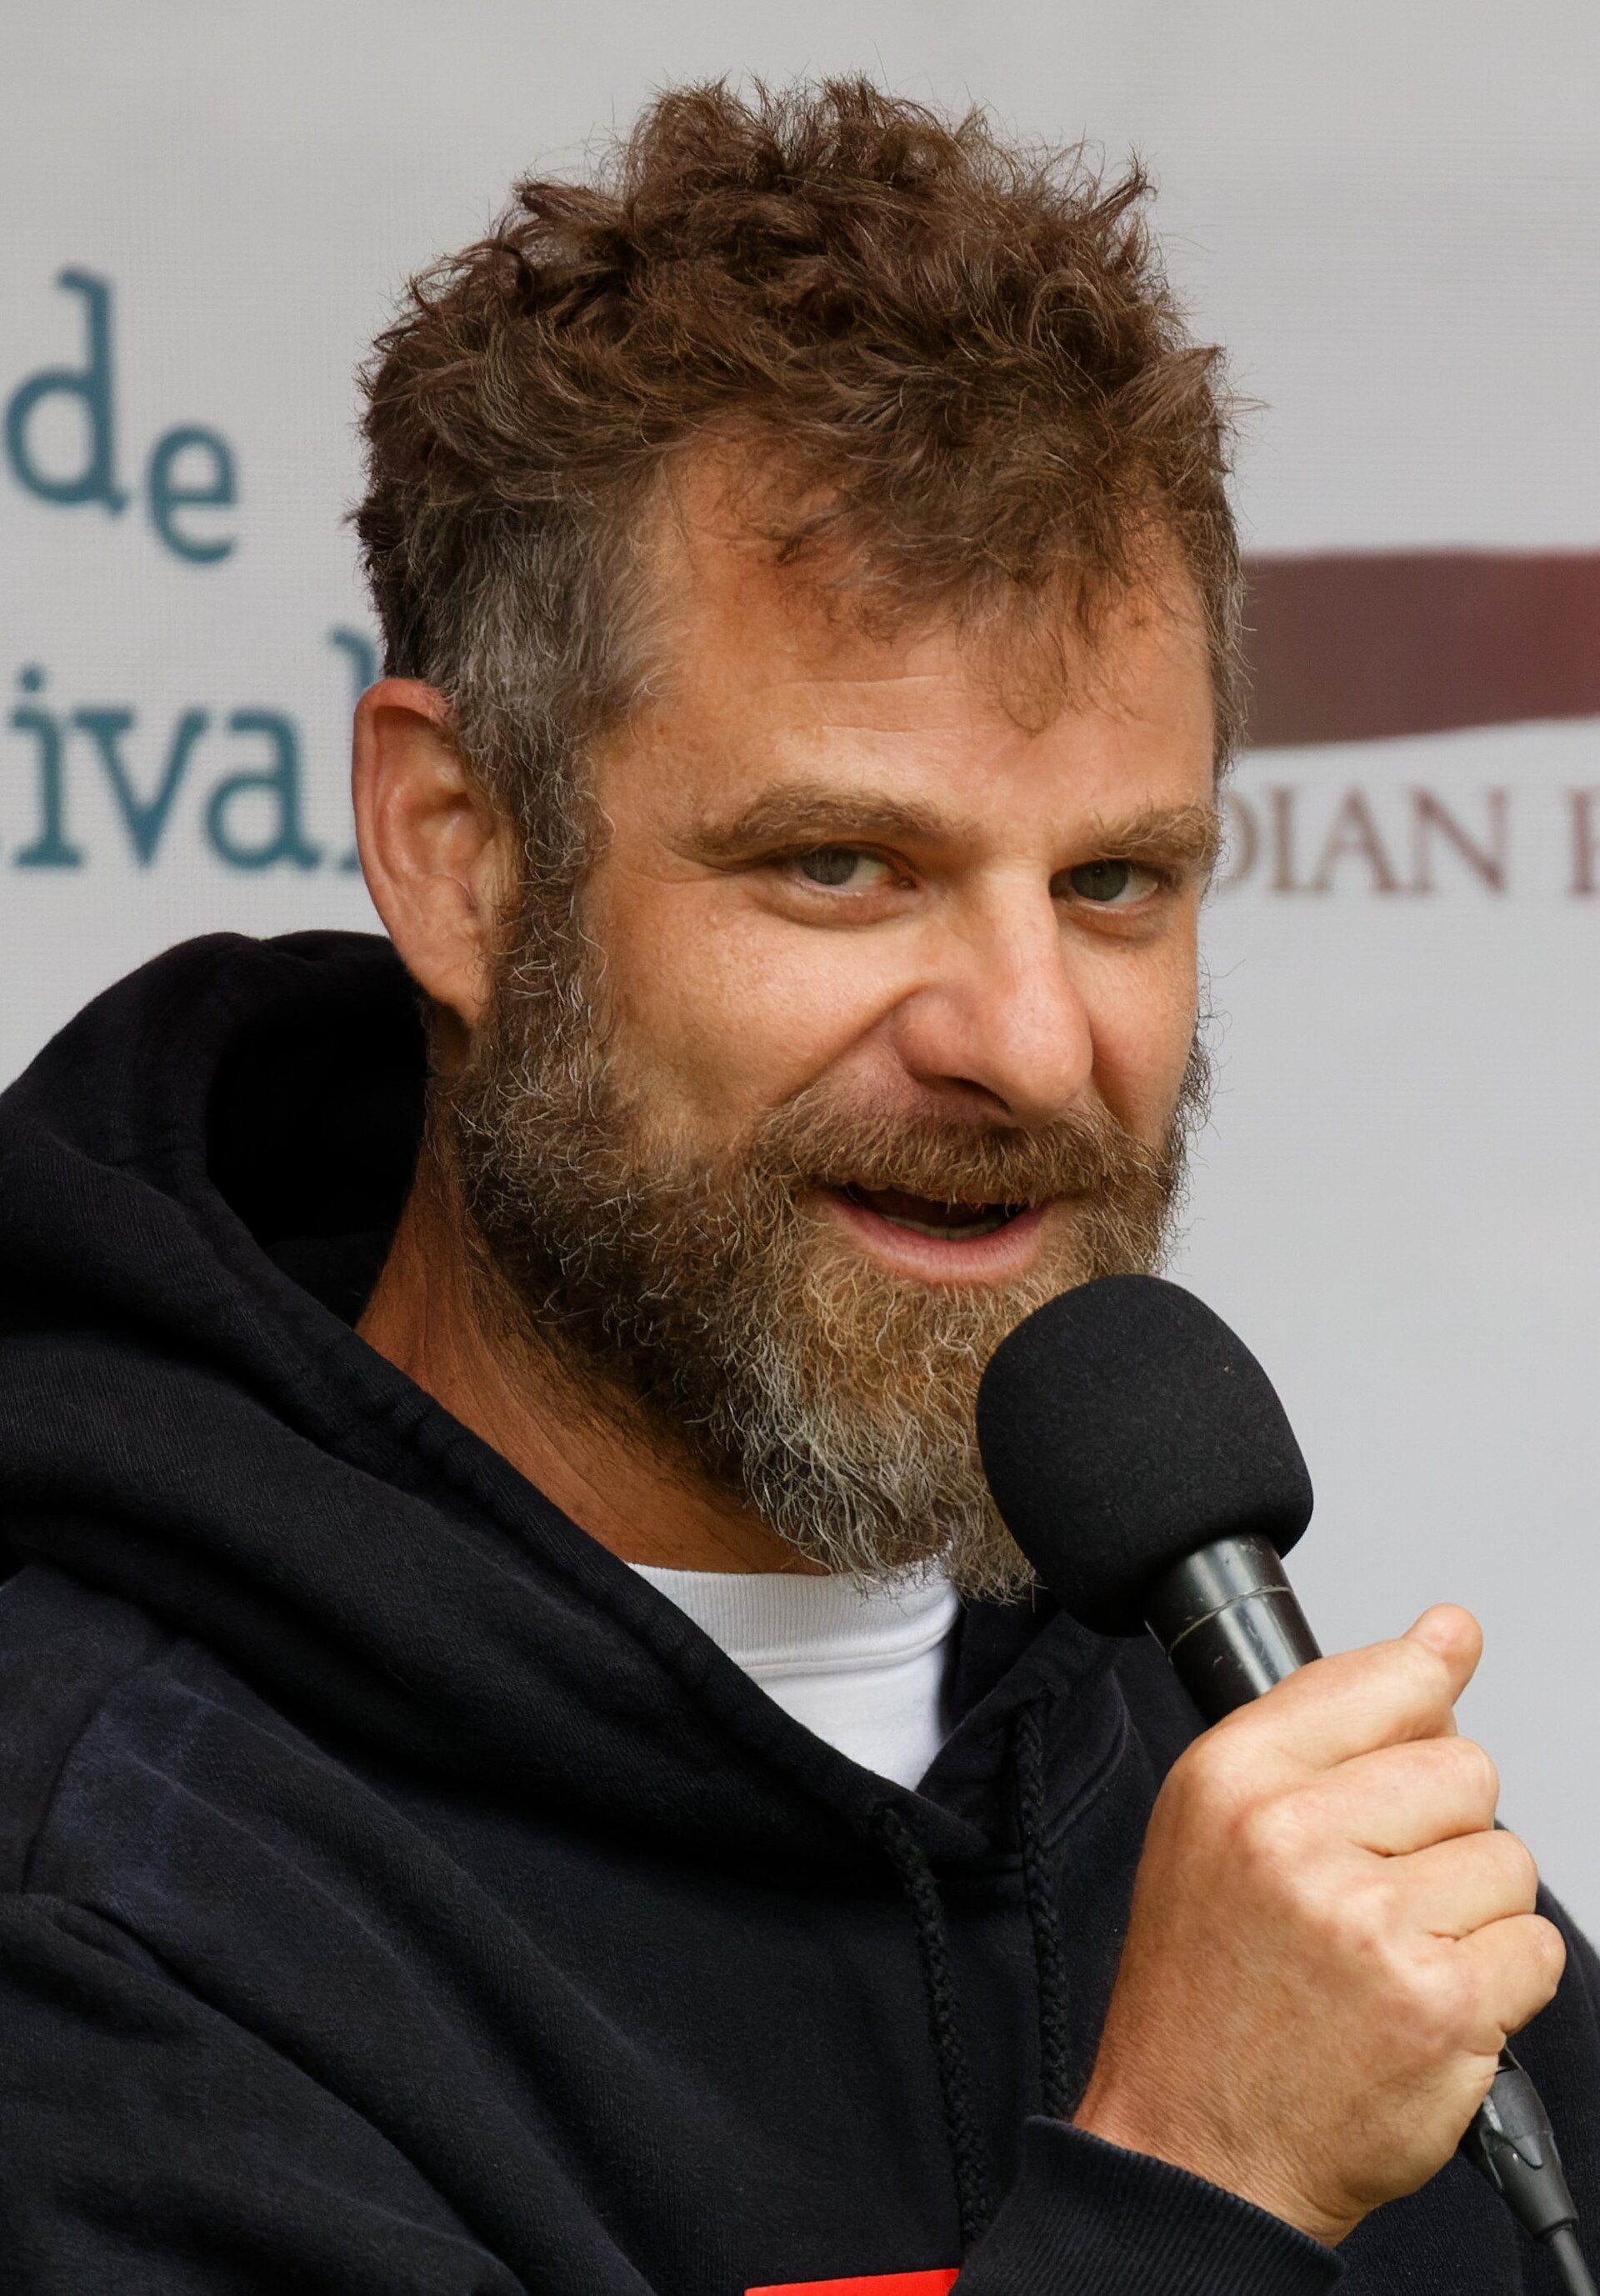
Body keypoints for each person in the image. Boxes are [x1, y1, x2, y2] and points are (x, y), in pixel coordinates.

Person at [0, 79, 1592, 2296]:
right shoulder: (111, 1898)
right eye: (843, 865)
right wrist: (1193, 2198)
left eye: (1117, 881)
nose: (1031, 1042)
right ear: (460, 854)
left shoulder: (1243, 1808)